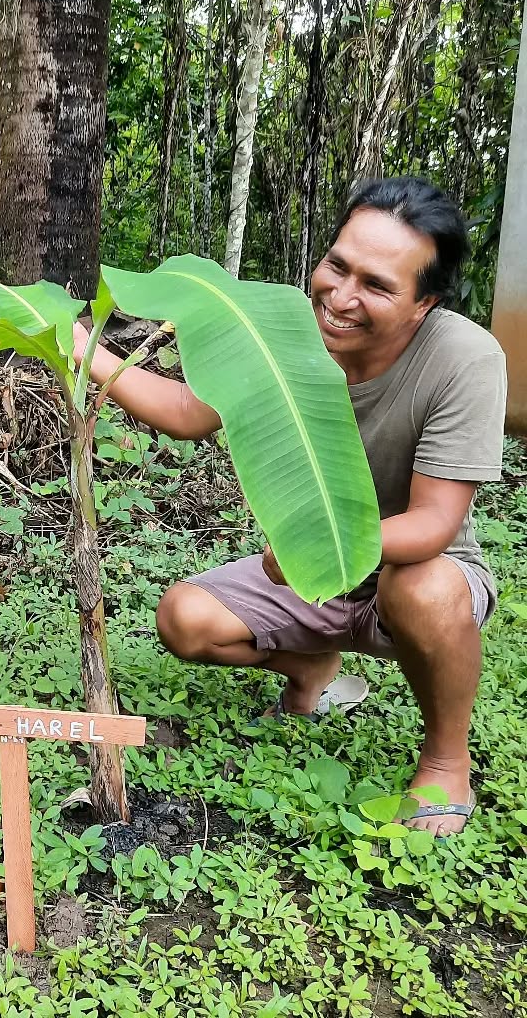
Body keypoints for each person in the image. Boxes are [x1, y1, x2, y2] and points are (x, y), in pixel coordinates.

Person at [74, 177, 507, 837]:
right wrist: (83, 351)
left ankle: (447, 760)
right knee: (185, 619)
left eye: (378, 285)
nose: (342, 296)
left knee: (420, 587)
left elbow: (434, 523)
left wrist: (318, 543)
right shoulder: (284, 325)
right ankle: (313, 670)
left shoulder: (464, 360)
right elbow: (193, 413)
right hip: (305, 567)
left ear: (425, 303)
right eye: (337, 265)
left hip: (423, 565)